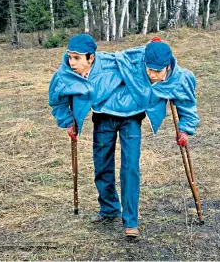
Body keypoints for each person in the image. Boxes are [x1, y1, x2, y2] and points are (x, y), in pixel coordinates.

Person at [48, 34, 149, 238]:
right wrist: (68, 121)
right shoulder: (65, 73)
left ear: (91, 58)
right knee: (102, 165)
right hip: (103, 118)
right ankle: (109, 208)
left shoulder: (111, 64)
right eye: (69, 57)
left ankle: (131, 221)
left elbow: (142, 59)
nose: (71, 62)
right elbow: (57, 100)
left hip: (131, 118)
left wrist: (155, 49)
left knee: (130, 168)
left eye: (77, 58)